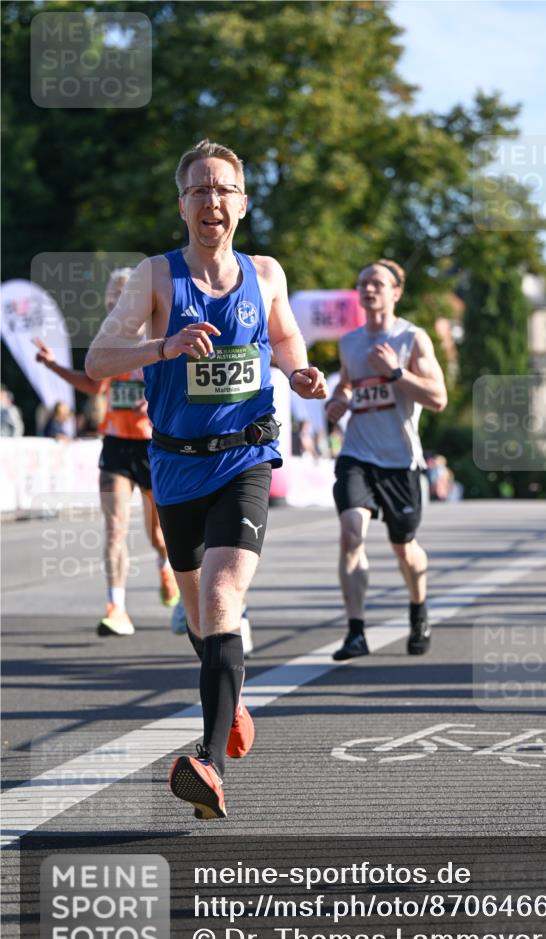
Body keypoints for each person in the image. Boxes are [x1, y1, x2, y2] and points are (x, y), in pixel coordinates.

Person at [85, 139, 326, 819]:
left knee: (223, 598)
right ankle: (230, 701)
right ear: (182, 204)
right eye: (198, 190)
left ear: (242, 204)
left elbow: (283, 341)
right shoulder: (156, 277)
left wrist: (297, 371)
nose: (211, 201)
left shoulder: (267, 273)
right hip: (175, 464)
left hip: (246, 457)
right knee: (197, 613)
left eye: (223, 189)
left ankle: (209, 763)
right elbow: (101, 358)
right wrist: (162, 345)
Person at [34, 269, 180, 636]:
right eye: (112, 295)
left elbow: (183, 386)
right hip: (115, 445)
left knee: (160, 536)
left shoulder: (158, 336)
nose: (116, 300)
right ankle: (116, 607)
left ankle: (166, 567)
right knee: (114, 527)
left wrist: (158, 403)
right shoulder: (107, 342)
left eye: (124, 293)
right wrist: (52, 365)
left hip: (154, 445)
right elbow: (93, 386)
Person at [325, 259, 446, 661]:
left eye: (377, 283)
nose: (368, 289)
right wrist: (339, 400)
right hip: (356, 454)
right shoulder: (350, 342)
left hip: (400, 460)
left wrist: (396, 373)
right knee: (351, 534)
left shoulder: (413, 338)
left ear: (396, 292)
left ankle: (418, 610)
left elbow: (439, 398)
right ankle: (356, 631)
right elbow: (346, 384)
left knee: (404, 547)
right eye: (363, 283)